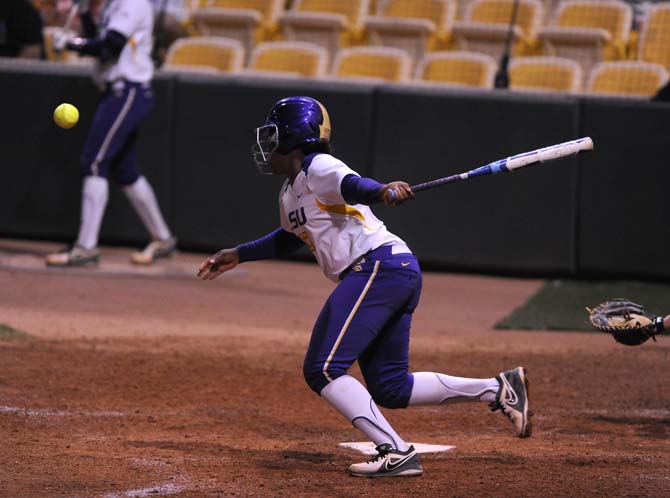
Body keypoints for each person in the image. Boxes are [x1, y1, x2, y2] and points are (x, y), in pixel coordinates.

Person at [197, 96, 532, 478]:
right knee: (390, 388)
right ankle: (498, 389)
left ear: (292, 136)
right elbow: (292, 236)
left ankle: (395, 451)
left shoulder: (317, 166)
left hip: (378, 267)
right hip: (391, 270)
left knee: (322, 368)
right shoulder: (291, 192)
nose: (266, 144)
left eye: (272, 134)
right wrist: (240, 253)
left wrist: (381, 191)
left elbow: (353, 185)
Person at [46, 0, 177, 267]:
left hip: (127, 90)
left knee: (94, 162)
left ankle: (86, 246)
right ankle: (163, 238)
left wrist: (73, 45)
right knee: (125, 170)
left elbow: (111, 46)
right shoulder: (113, 5)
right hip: (117, 91)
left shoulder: (132, 3)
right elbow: (100, 38)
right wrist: (83, 13)